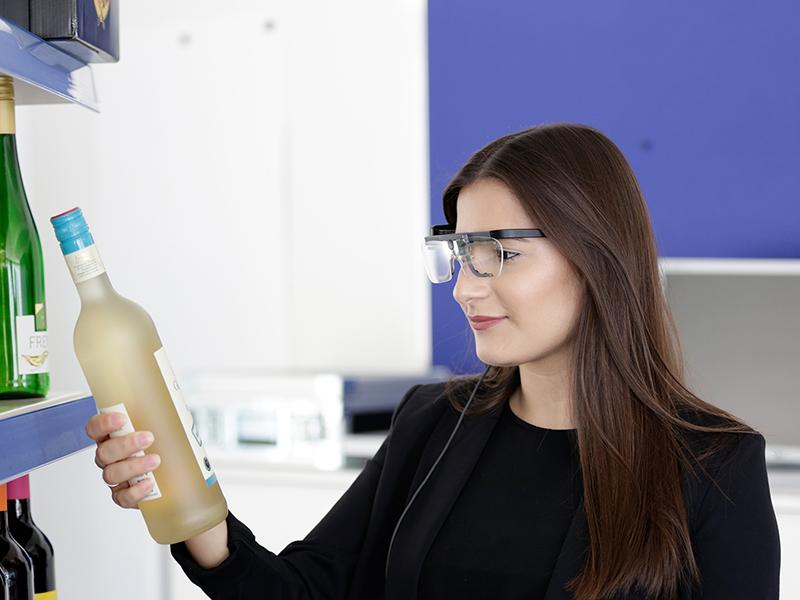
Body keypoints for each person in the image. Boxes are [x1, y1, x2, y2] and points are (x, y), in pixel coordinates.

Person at [84, 123, 781, 600]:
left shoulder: (714, 467)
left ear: (596, 256)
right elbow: (309, 591)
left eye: (499, 252)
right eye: (460, 252)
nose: (466, 286)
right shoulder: (432, 423)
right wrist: (190, 507)